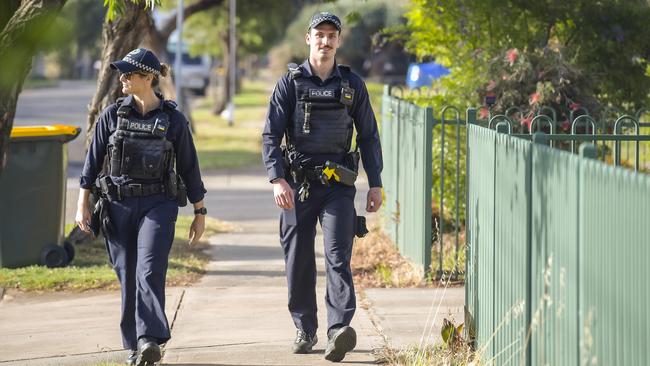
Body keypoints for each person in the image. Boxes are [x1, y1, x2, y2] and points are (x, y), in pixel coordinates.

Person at [262, 11, 383, 363]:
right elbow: (271, 134)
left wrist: (375, 184)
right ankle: (305, 328)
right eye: (320, 35)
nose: (326, 41)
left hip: (337, 186)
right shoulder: (290, 83)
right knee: (298, 259)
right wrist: (276, 178)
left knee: (337, 256)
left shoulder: (352, 85)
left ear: (339, 41)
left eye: (332, 35)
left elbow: (369, 137)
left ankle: (338, 329)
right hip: (296, 185)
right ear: (308, 38)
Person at [75, 48, 207, 366]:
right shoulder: (112, 115)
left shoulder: (174, 120)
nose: (122, 78)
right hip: (117, 205)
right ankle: (133, 345)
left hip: (158, 205)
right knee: (127, 275)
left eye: (128, 74)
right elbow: (91, 166)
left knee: (148, 270)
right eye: (121, 73)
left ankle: (149, 338)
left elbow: (190, 168)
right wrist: (83, 205)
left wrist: (200, 212)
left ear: (148, 78)